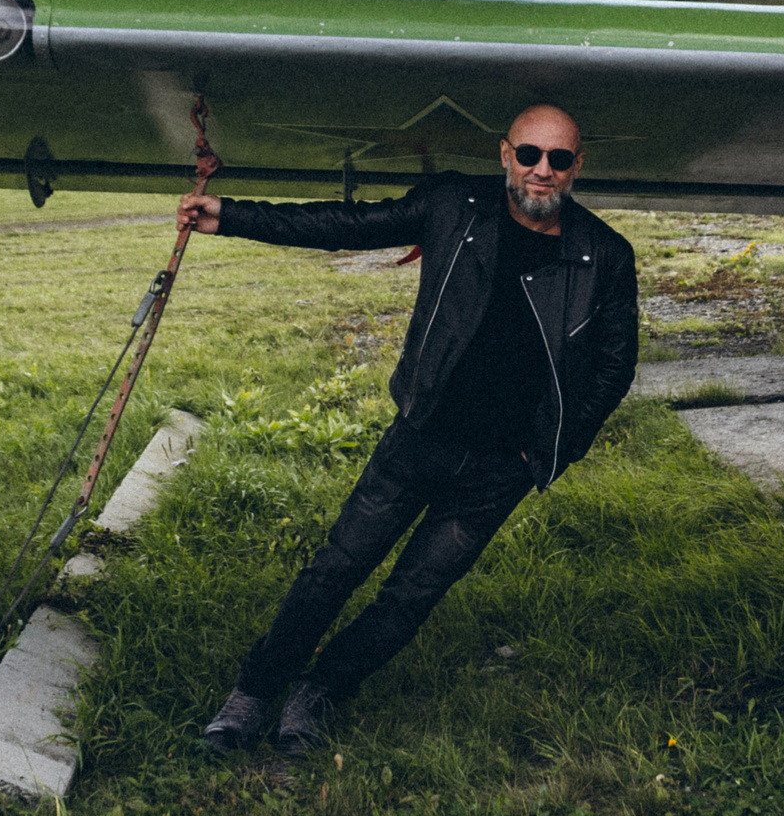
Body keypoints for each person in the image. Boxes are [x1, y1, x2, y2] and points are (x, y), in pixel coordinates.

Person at [177, 102, 639, 754]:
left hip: (498, 470)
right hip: (420, 439)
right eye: (529, 154)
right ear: (505, 155)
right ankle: (253, 693)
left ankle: (320, 690)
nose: (543, 170)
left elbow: (614, 369)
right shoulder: (454, 205)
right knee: (334, 569)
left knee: (411, 597)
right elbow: (346, 225)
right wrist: (230, 216)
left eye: (558, 159)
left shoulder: (605, 255)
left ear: (577, 166)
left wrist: (549, 453)